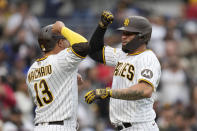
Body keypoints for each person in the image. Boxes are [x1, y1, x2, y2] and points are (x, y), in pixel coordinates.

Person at [84, 11, 161, 131]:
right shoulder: (122, 55)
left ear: (142, 36)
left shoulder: (148, 58)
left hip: (140, 126)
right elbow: (94, 52)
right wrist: (101, 27)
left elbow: (145, 89)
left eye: (129, 33)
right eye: (123, 32)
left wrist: (110, 92)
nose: (123, 36)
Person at [26, 21, 89, 131]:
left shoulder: (31, 69)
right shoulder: (61, 59)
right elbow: (83, 45)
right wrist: (62, 28)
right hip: (60, 127)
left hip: (39, 126)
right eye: (65, 40)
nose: (68, 42)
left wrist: (68, 77)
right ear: (60, 43)